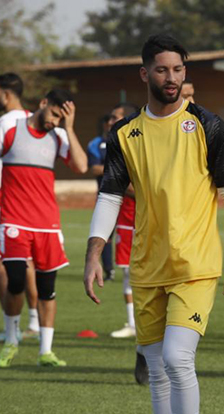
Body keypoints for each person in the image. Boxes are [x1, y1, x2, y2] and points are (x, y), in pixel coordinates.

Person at [84, 34, 224, 414]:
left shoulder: (209, 126)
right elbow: (110, 196)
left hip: (196, 265)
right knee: (157, 371)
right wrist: (95, 253)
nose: (172, 78)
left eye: (178, 70)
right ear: (145, 74)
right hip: (146, 268)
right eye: (162, 70)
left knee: (177, 359)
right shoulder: (124, 135)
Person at [0, 88, 88, 368]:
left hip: (47, 224)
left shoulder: (58, 137)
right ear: (43, 103)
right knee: (15, 281)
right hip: (13, 220)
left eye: (62, 119)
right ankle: (12, 340)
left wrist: (68, 127)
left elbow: (81, 166)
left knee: (47, 288)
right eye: (55, 115)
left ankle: (46, 351)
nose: (55, 122)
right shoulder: (10, 129)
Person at [0, 72, 40, 343]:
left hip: (1, 201)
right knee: (26, 261)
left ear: (6, 93)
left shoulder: (4, 123)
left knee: (0, 262)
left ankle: (12, 328)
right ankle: (33, 321)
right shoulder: (32, 118)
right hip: (28, 201)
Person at [97, 103, 143, 341]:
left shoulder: (140, 144)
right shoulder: (116, 146)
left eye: (115, 117)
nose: (109, 121)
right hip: (126, 220)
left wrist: (123, 185)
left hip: (148, 220)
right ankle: (133, 323)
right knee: (127, 272)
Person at [87, 114, 115, 280]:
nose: (111, 124)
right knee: (105, 235)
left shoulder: (132, 137)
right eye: (109, 121)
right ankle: (109, 270)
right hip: (107, 195)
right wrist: (119, 169)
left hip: (132, 197)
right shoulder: (96, 144)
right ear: (105, 124)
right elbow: (95, 169)